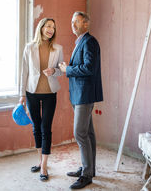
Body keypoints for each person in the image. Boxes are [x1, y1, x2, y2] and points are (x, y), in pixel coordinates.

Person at [59, 11, 103, 189]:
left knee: (79, 133)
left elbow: (88, 68)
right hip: (79, 94)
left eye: (77, 21)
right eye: (72, 21)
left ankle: (86, 175)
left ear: (86, 24)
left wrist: (67, 70)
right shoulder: (81, 42)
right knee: (88, 133)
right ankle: (89, 169)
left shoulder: (89, 41)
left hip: (84, 95)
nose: (73, 24)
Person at [19, 18, 64, 181]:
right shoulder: (29, 47)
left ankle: (44, 166)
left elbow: (61, 70)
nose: (51, 29)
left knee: (46, 128)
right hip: (31, 92)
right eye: (48, 26)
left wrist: (54, 71)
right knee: (36, 127)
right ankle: (40, 160)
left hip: (50, 93)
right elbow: (24, 72)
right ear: (41, 28)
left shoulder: (58, 48)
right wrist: (21, 95)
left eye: (53, 26)